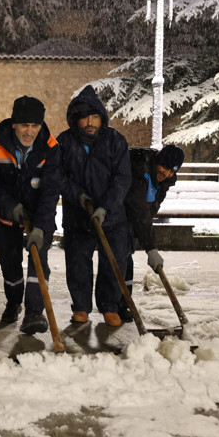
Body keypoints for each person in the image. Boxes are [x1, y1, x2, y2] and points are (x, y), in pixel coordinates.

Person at [0, 96, 62, 335]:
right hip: (5, 218)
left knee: (38, 262)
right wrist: (11, 206)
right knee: (11, 265)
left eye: (35, 126)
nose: (30, 131)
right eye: (25, 125)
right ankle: (14, 301)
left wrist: (40, 227)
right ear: (14, 123)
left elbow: (50, 190)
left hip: (39, 217)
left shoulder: (50, 147)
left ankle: (34, 313)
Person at [58, 85, 132, 327]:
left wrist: (106, 208)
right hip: (78, 216)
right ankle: (81, 307)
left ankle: (109, 306)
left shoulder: (115, 141)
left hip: (112, 218)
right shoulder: (64, 142)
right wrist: (78, 196)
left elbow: (122, 179)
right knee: (78, 262)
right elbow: (57, 176)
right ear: (75, 120)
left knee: (114, 262)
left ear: (102, 118)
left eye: (94, 117)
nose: (89, 122)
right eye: (83, 118)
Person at [123, 145, 185, 316]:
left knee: (126, 256)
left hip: (134, 219)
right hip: (119, 215)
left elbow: (149, 210)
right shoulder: (140, 171)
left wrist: (144, 235)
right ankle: (115, 305)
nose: (166, 173)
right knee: (120, 258)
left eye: (171, 171)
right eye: (164, 167)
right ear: (158, 161)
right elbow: (139, 208)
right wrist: (151, 247)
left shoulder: (163, 181)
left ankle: (124, 302)